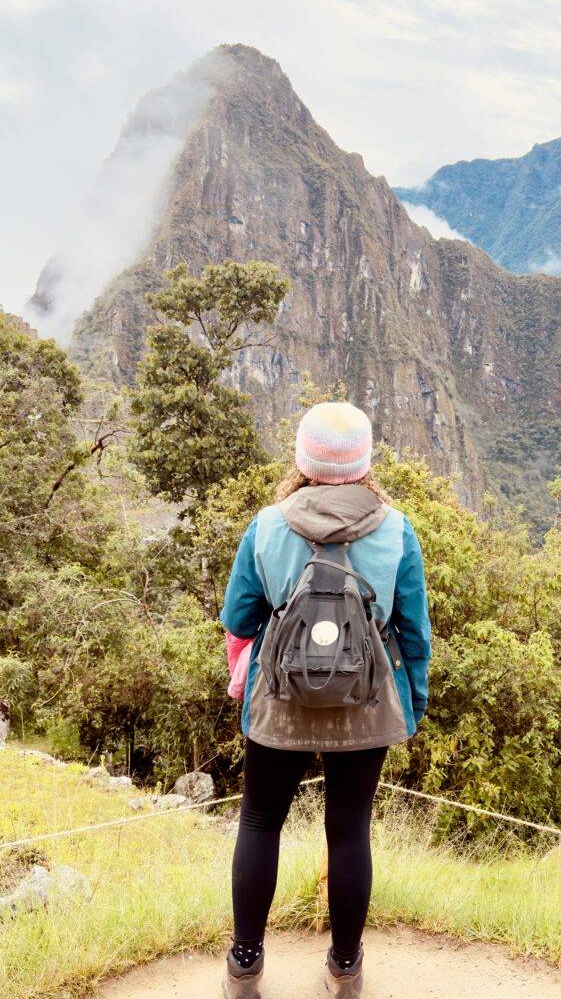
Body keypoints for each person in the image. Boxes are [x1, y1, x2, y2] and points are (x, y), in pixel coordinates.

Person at [218, 401, 431, 999]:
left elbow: (238, 617)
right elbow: (414, 631)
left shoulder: (267, 525)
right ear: (365, 462)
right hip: (365, 704)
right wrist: (411, 702)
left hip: (280, 703)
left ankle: (245, 962)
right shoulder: (395, 528)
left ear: (302, 459)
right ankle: (344, 967)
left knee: (260, 822)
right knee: (348, 831)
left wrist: (251, 667)